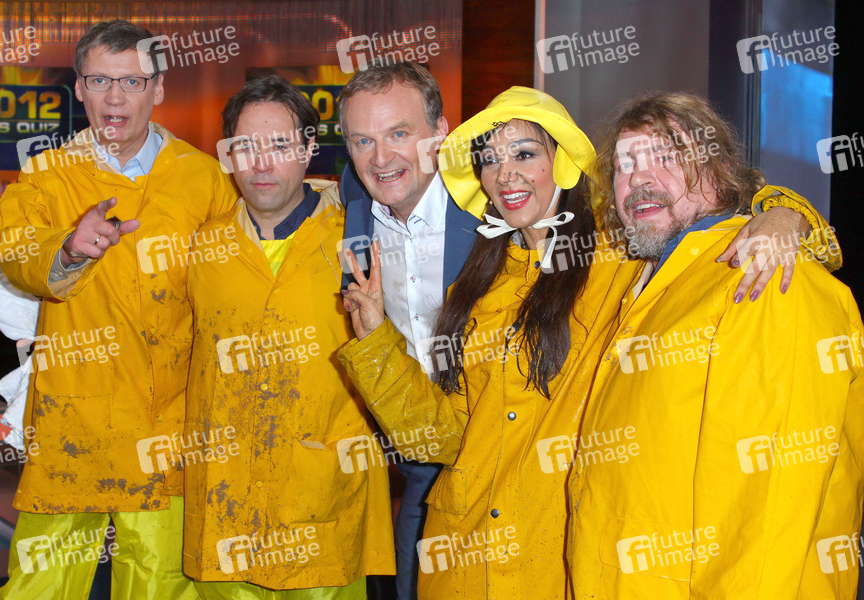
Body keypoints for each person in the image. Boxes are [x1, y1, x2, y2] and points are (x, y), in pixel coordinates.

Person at [335, 86, 839, 600]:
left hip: (557, 562)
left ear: (563, 163)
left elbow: (708, 211)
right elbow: (443, 440)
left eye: (524, 154)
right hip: (464, 563)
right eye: (489, 161)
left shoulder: (620, 263)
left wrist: (784, 213)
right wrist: (376, 341)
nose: (505, 174)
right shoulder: (478, 284)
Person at [567, 92, 863, 599]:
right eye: (623, 166)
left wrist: (783, 212)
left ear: (721, 171)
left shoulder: (764, 275)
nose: (638, 179)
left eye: (666, 156)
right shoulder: (653, 282)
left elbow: (768, 513)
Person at [0, 20, 236, 600]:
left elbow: (232, 283)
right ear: (79, 88)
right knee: (39, 588)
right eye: (100, 80)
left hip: (166, 424)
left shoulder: (203, 178)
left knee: (158, 586)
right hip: (72, 423)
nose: (116, 97)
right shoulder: (46, 175)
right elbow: (18, 250)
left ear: (159, 89)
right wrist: (68, 249)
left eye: (133, 81)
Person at [182, 75, 394, 600]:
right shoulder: (201, 248)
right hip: (226, 503)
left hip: (326, 501)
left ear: (307, 149)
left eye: (279, 145)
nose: (260, 164)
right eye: (244, 146)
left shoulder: (359, 240)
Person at [337, 61, 480, 600]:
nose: (381, 158)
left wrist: (743, 218)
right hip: (421, 460)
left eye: (399, 133)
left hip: (500, 449)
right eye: (363, 141)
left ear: (440, 131)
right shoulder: (352, 203)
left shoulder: (491, 201)